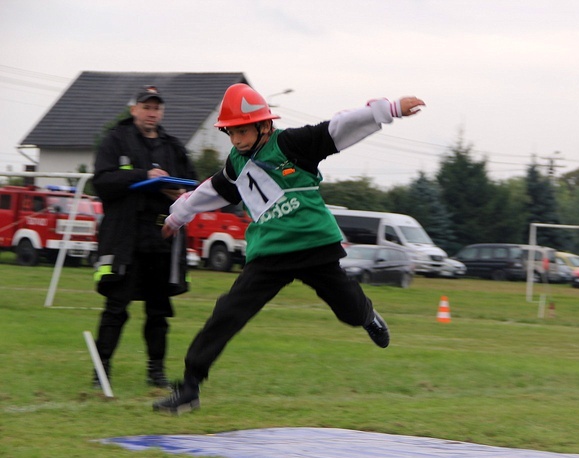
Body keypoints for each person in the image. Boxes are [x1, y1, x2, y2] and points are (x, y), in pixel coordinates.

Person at [152, 83, 425, 414]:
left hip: (314, 247)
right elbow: (210, 191)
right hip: (269, 256)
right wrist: (178, 215)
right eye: (230, 133)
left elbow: (338, 127)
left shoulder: (293, 144)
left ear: (264, 125)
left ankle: (367, 315)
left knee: (349, 312)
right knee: (226, 315)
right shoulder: (236, 164)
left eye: (242, 131)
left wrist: (390, 109)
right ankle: (190, 388)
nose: (236, 140)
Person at [92, 85, 198, 389]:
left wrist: (176, 191)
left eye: (156, 108)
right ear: (134, 109)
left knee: (158, 312)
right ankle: (102, 372)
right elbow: (101, 182)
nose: (151, 113)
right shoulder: (115, 139)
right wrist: (142, 176)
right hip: (126, 239)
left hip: (161, 238)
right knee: (116, 308)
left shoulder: (173, 147)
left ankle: (157, 372)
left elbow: (192, 187)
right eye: (146, 107)